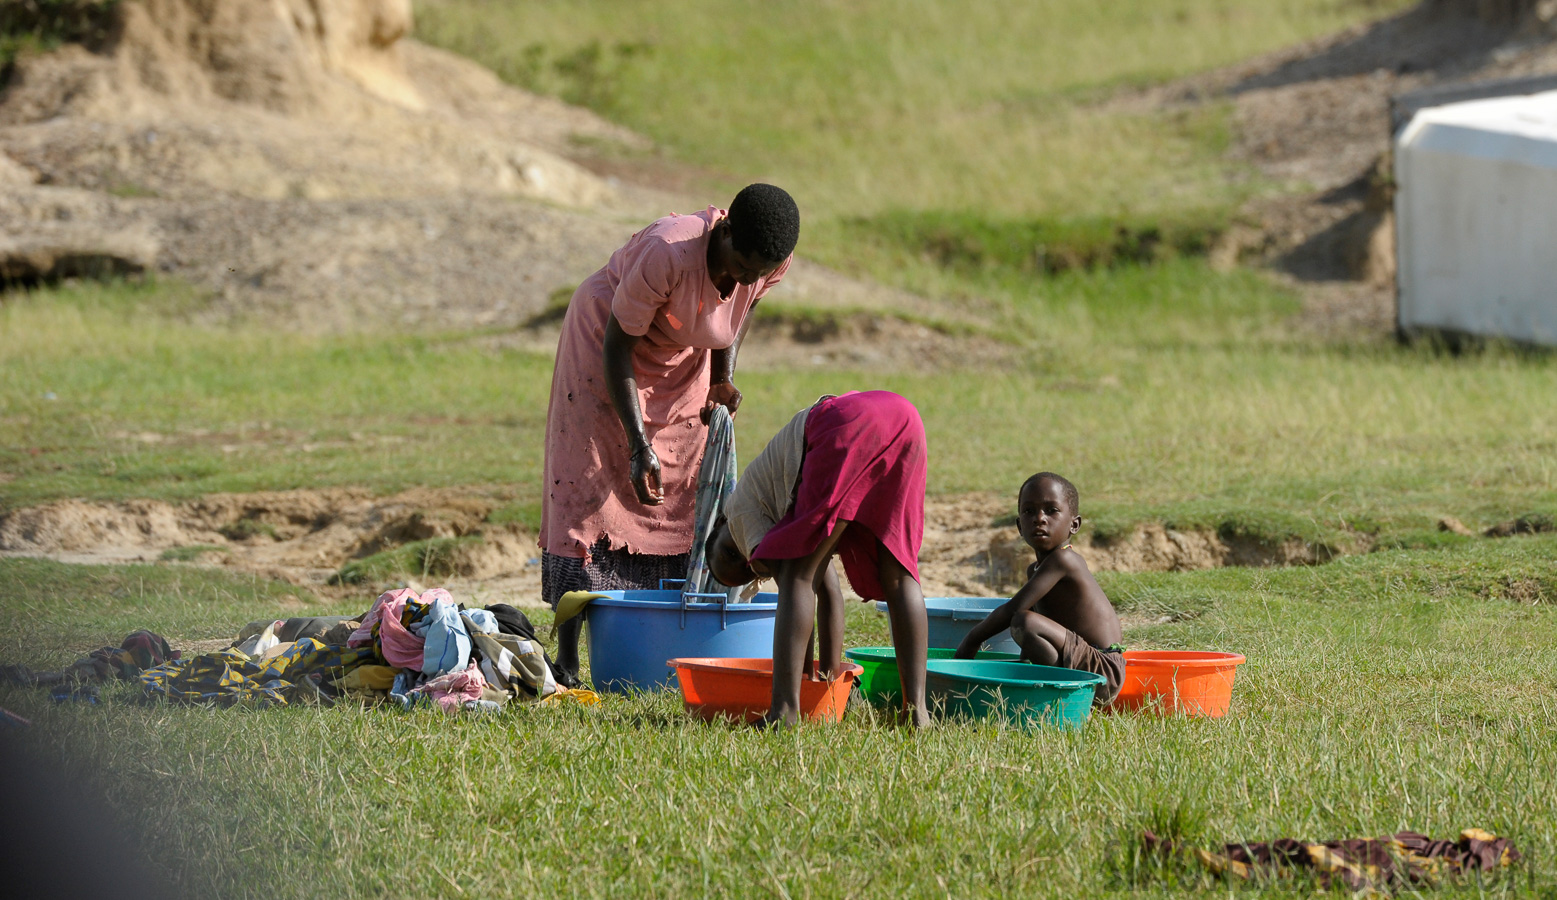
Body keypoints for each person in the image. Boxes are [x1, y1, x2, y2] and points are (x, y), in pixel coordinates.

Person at [539, 184, 800, 686]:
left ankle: (672, 639)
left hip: (685, 352)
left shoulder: (768, 261)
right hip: (607, 346)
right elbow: (617, 346)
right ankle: (570, 658)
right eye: (739, 266)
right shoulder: (669, 252)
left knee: (682, 490)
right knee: (589, 485)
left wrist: (722, 376)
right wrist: (638, 445)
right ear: (724, 232)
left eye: (755, 274)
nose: (742, 280)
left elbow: (736, 317)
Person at [705, 390, 931, 727]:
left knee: (796, 575)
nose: (746, 560)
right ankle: (917, 714)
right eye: (745, 571)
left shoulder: (739, 509)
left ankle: (784, 712)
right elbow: (826, 592)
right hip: (903, 417)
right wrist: (826, 676)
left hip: (844, 425)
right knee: (898, 574)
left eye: (729, 552)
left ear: (722, 524)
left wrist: (802, 681)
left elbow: (796, 584)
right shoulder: (774, 511)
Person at [953, 472, 1125, 706]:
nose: (1039, 518)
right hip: (1081, 663)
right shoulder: (1036, 570)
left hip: (1101, 670)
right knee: (1028, 623)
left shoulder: (1065, 560)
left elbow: (1014, 610)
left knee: (1024, 621)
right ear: (1019, 526)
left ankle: (1063, 696)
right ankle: (1047, 692)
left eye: (1051, 510)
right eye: (1029, 511)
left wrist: (970, 641)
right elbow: (1036, 633)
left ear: (1074, 525)